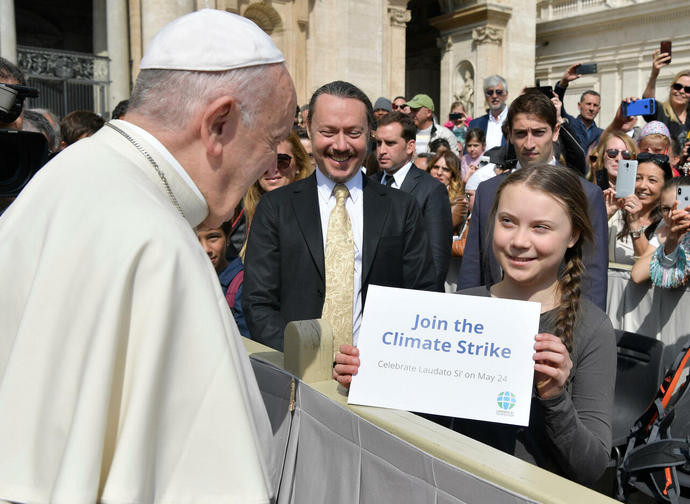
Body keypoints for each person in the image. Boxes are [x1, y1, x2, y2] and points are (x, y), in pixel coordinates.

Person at [0, 9, 297, 503]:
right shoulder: (162, 246)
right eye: (270, 141)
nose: (272, 163)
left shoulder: (64, 172)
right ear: (219, 123)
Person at [335, 164, 615, 485]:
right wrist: (368, 378)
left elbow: (591, 467)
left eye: (541, 227)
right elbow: (424, 422)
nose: (520, 241)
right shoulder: (458, 310)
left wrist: (554, 395)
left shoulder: (592, 328)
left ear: (573, 235)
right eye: (507, 222)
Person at [243, 81, 437, 352]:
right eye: (328, 132)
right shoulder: (276, 208)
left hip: (376, 374)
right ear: (309, 129)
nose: (341, 145)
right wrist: (300, 360)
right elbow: (258, 302)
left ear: (370, 133)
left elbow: (423, 296)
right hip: (297, 376)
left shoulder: (401, 208)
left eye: (353, 132)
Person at [458, 90, 609, 311]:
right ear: (508, 134)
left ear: (555, 131)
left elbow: (592, 276)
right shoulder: (488, 191)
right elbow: (473, 266)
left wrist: (581, 337)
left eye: (538, 133)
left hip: (558, 323)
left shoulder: (586, 194)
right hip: (493, 317)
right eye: (520, 134)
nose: (529, 143)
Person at [373, 111, 453, 291]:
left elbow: (437, 261)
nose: (382, 150)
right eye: (378, 143)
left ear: (410, 146)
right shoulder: (368, 184)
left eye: (390, 143)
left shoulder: (432, 190)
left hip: (411, 299)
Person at [240, 128, 311, 256]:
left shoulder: (314, 209)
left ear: (298, 165)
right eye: (263, 162)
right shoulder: (245, 210)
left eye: (282, 160)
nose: (272, 169)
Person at [606, 153, 673, 265]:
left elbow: (648, 268)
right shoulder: (615, 215)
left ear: (665, 185)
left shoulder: (668, 223)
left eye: (652, 180)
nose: (642, 186)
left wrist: (634, 224)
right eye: (637, 178)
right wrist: (605, 214)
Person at [631, 176, 690, 283]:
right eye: (666, 209)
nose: (672, 215)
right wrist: (669, 243)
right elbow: (637, 275)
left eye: (679, 207)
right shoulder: (665, 228)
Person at [197, 221, 250, 337]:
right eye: (195, 240)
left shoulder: (241, 285)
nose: (205, 249)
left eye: (213, 237)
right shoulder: (189, 280)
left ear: (227, 237)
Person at [642, 50, 690, 148]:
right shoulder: (660, 111)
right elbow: (646, 104)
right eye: (677, 86)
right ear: (671, 88)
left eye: (688, 89)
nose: (681, 91)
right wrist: (654, 75)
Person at [554, 63, 603, 152]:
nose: (591, 108)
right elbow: (557, 102)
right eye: (588, 104)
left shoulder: (602, 134)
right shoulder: (568, 123)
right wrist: (563, 83)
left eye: (595, 105)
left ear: (599, 109)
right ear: (579, 105)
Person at [468, 75, 509, 150]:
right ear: (485, 96)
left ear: (506, 95)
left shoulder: (515, 120)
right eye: (490, 92)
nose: (494, 96)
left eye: (499, 92)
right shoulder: (475, 124)